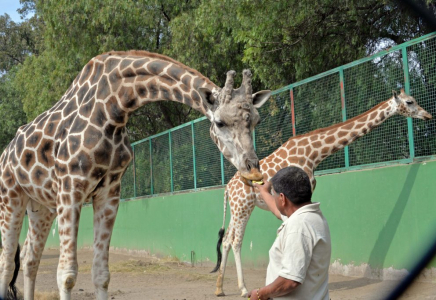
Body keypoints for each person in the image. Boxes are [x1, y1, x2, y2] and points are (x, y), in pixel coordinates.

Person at [248, 166, 331, 300]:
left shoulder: (298, 227)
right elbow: (277, 210)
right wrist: (264, 191)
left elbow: (290, 280)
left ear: (282, 198)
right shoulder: (311, 216)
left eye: (275, 194)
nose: (274, 198)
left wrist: (260, 294)